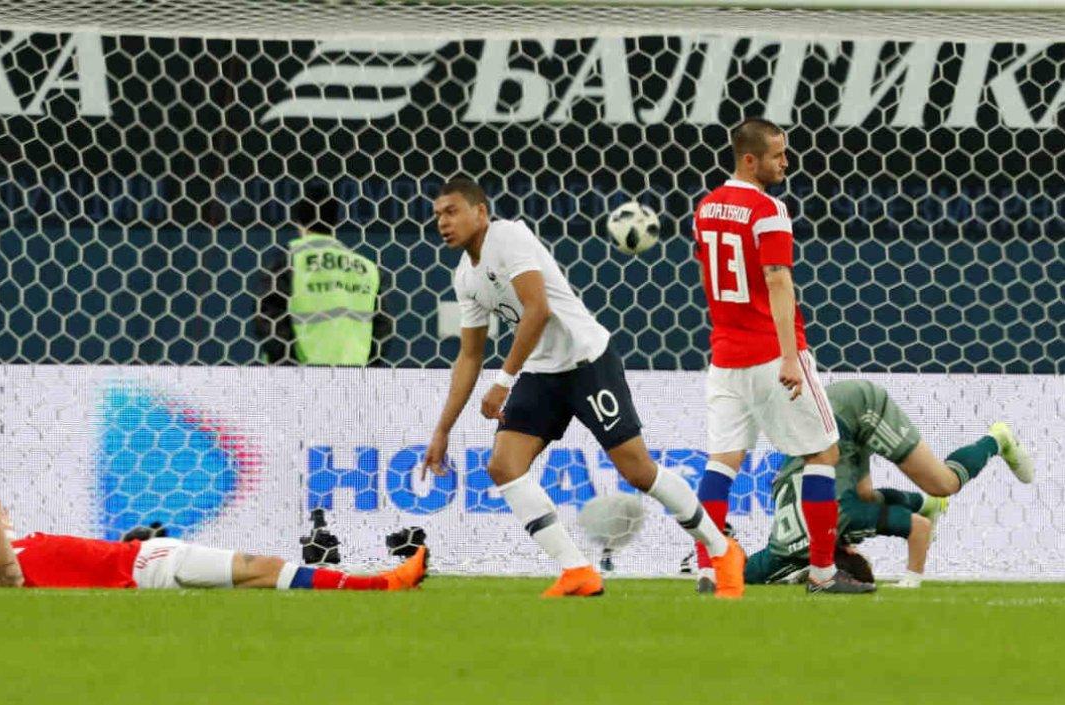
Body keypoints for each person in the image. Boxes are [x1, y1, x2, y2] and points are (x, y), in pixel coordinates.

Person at [420, 177, 744, 598]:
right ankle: (578, 571)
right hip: (542, 373)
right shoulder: (466, 277)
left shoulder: (509, 235)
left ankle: (722, 551)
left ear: (480, 212)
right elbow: (468, 356)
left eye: (452, 211)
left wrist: (503, 382)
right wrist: (443, 429)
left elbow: (538, 309)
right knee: (503, 465)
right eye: (437, 215)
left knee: (637, 469)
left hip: (586, 360)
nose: (443, 223)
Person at [689, 117, 872, 595]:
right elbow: (776, 280)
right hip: (771, 354)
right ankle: (822, 572)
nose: (785, 163)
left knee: (721, 462)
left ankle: (709, 568)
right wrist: (791, 358)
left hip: (724, 357)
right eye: (777, 155)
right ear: (750, 159)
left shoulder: (706, 209)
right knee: (822, 452)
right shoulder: (768, 210)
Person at [0, 470, 428, 591]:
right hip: (145, 568)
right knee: (264, 567)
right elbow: (16, 580)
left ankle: (376, 583)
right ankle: (383, 584)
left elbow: (16, 543)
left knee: (261, 579)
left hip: (139, 556)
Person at [745, 379, 1034, 588]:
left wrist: (911, 580)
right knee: (864, 494)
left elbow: (919, 528)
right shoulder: (782, 550)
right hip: (823, 421)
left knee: (943, 483)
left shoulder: (848, 520)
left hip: (857, 409)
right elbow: (747, 572)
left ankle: (997, 439)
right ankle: (926, 502)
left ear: (848, 551)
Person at [253, 183, 393, 366]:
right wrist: (366, 369)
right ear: (335, 221)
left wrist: (287, 369)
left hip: (300, 379)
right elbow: (383, 328)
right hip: (354, 379)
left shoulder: (289, 261)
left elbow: (268, 321)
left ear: (298, 221)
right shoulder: (368, 268)